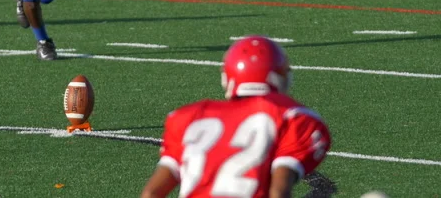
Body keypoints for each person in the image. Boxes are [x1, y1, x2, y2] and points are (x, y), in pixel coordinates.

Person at [141, 35, 332, 198]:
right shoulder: (294, 117)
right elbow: (278, 191)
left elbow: (151, 193)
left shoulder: (189, 117)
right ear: (281, 77)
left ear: (227, 78)